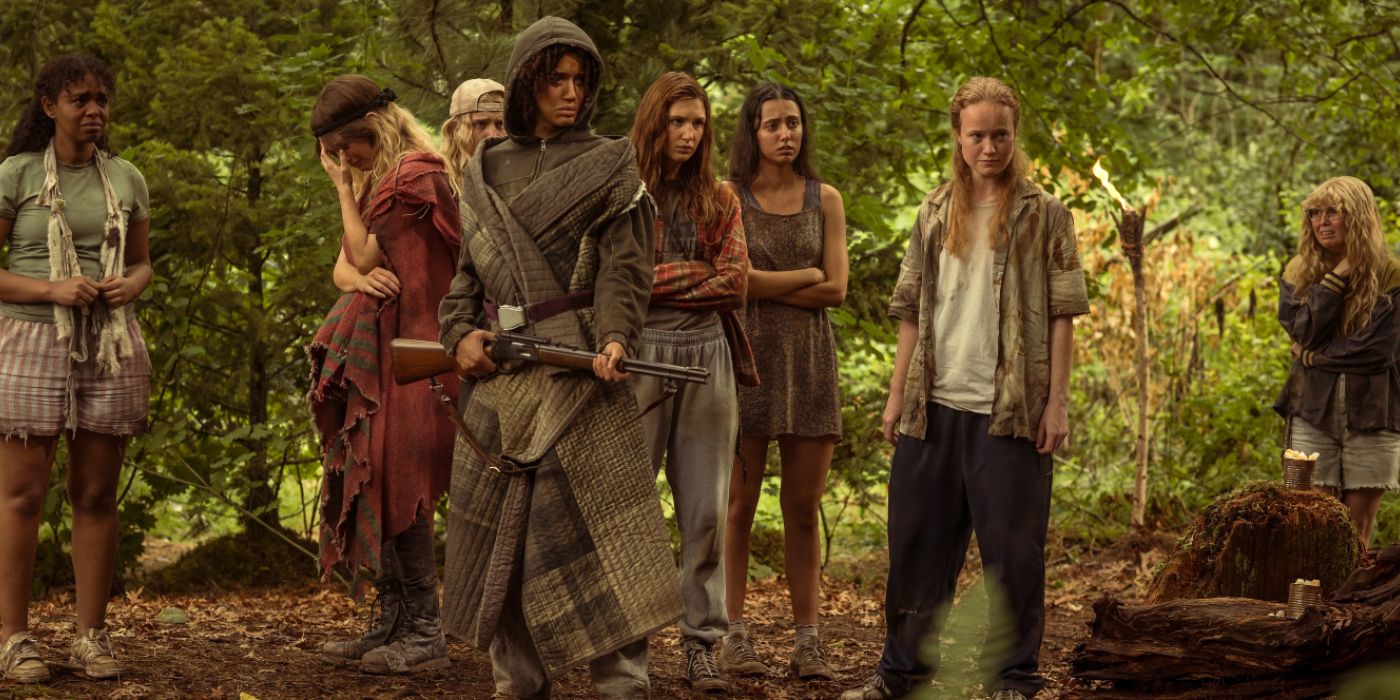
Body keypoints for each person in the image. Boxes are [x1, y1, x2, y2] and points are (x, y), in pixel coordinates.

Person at [436, 17, 681, 699]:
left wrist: (614, 339)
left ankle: (621, 687)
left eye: (580, 79)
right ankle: (518, 685)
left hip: (585, 378)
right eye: (555, 80)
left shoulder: (610, 161)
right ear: (525, 85)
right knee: (504, 551)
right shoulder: (484, 168)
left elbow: (624, 269)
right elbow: (464, 280)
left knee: (616, 536)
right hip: (504, 383)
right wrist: (459, 337)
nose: (570, 93)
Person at [841, 76, 1089, 700]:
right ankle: (901, 674)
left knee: (1013, 556)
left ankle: (1013, 677)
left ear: (1015, 135)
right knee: (916, 551)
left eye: (1000, 135)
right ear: (957, 135)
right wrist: (897, 397)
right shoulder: (933, 211)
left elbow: (1063, 315)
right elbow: (910, 309)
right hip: (934, 406)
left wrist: (1056, 404)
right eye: (977, 135)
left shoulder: (1046, 214)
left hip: (1010, 413)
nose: (989, 147)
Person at [0, 53, 153, 684]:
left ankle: (91, 637)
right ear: (50, 107)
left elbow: (143, 263)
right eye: (80, 100)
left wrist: (129, 286)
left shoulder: (127, 179)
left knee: (94, 494)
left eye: (101, 100)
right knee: (22, 495)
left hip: (109, 345)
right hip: (30, 341)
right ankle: (12, 639)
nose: (94, 111)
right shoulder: (14, 175)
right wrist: (53, 289)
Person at [306, 75, 461, 675]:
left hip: (422, 352)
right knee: (383, 476)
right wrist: (357, 271)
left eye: (350, 149)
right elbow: (347, 269)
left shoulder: (411, 177)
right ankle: (393, 618)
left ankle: (425, 630)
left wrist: (343, 190)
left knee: (402, 479)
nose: (346, 162)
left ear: (375, 129)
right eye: (338, 156)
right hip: (398, 350)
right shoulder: (397, 177)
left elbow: (363, 256)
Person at [627, 71, 756, 694]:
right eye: (676, 122)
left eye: (697, 123)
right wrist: (691, 274)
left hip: (708, 353)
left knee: (705, 510)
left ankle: (703, 642)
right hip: (640, 355)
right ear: (656, 124)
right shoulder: (625, 193)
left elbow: (734, 282)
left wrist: (659, 278)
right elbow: (621, 283)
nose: (687, 133)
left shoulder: (721, 199)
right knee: (631, 508)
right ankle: (628, 648)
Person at [720, 80, 847, 682]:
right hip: (743, 364)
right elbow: (734, 283)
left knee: (801, 508)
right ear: (752, 131)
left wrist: (769, 282)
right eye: (772, 124)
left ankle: (808, 641)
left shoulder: (826, 199)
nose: (784, 134)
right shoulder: (728, 197)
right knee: (740, 506)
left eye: (792, 123)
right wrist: (804, 274)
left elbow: (838, 290)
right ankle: (733, 635)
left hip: (809, 368)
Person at [1276, 175, 1400, 549]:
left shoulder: (1390, 273)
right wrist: (1337, 276)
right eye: (1315, 212)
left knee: (1355, 531)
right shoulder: (1298, 271)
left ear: (1358, 216)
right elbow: (1304, 331)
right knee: (1314, 522)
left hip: (1374, 412)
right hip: (1313, 409)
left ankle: (1349, 607)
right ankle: (1313, 603)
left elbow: (1377, 350)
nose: (1322, 221)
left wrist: (1313, 357)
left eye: (1334, 211)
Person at [441, 78, 506, 194]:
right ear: (454, 130)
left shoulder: (520, 174)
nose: (493, 135)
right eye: (481, 124)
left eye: (500, 124)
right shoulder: (439, 182)